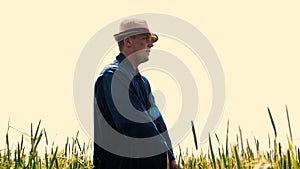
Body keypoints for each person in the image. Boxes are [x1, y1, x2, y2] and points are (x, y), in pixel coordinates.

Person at [94, 18, 182, 169]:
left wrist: (172, 159)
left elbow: (158, 122)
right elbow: (135, 125)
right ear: (128, 42)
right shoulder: (113, 76)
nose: (151, 44)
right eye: (145, 39)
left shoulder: (143, 83)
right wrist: (163, 158)